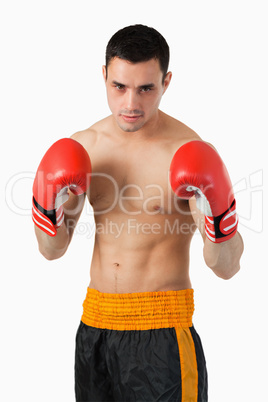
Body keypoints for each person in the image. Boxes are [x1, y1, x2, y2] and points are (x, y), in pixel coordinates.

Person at [32, 24, 244, 402]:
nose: (131, 103)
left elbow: (226, 267)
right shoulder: (85, 148)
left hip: (161, 334)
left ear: (166, 82)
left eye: (146, 88)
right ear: (104, 76)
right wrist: (46, 205)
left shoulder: (188, 152)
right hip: (94, 328)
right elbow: (52, 250)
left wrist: (218, 217)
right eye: (119, 87)